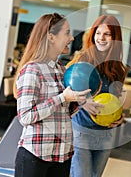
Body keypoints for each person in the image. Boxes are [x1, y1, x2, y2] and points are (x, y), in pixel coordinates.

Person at [13, 13, 91, 177]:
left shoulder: (61, 69)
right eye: (67, 33)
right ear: (51, 37)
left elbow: (63, 112)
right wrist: (62, 97)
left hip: (62, 155)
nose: (71, 38)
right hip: (35, 155)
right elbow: (26, 116)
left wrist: (80, 102)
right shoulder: (32, 69)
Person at [67, 15, 127, 177]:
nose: (101, 38)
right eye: (98, 33)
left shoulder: (118, 68)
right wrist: (82, 102)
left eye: (107, 34)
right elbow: (64, 89)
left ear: (115, 38)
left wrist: (120, 117)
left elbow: (114, 100)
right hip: (81, 130)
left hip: (105, 134)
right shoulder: (82, 59)